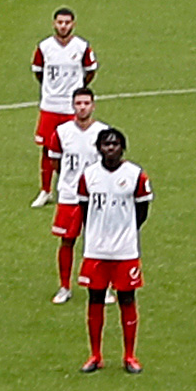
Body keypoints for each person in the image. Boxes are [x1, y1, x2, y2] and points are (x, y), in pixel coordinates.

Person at [73, 126, 153, 373]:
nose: (111, 148)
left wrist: (125, 232)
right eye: (106, 144)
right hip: (96, 250)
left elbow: (142, 211)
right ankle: (95, 355)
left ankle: (129, 356)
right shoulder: (88, 176)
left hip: (125, 252)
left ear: (123, 147)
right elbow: (85, 210)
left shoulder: (136, 175)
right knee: (94, 299)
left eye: (116, 144)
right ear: (98, 149)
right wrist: (98, 233)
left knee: (127, 299)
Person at [29, 7, 95, 205]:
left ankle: (81, 187)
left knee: (75, 146)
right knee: (47, 148)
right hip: (50, 105)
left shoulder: (82, 47)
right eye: (60, 22)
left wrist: (78, 89)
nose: (63, 26)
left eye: (67, 22)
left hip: (70, 107)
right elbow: (38, 72)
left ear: (73, 24)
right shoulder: (44, 47)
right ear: (54, 23)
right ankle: (46, 190)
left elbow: (90, 71)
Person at [46, 88, 103, 304]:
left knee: (97, 241)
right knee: (67, 240)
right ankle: (64, 286)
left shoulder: (102, 132)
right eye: (78, 103)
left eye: (86, 103)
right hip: (69, 196)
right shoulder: (62, 132)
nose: (82, 107)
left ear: (93, 105)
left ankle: (101, 286)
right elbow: (55, 162)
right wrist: (70, 182)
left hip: (97, 197)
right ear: (73, 106)